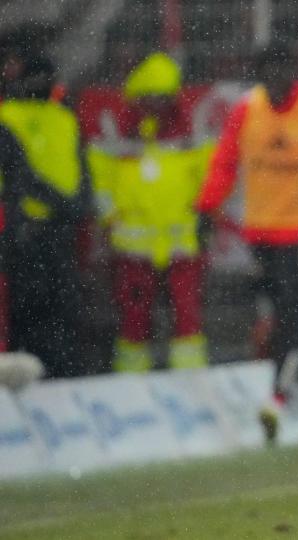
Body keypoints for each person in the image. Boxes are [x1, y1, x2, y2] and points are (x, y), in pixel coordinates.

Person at [198, 43, 298, 445]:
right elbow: (225, 162)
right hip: (262, 237)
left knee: (295, 319)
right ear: (258, 72)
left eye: (283, 68)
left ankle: (275, 399)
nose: (275, 77)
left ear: (296, 71)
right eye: (268, 69)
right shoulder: (245, 110)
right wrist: (205, 208)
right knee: (283, 322)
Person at [88, 52, 213, 373]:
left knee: (186, 319)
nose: (156, 104)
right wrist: (112, 218)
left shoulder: (189, 130)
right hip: (134, 247)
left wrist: (205, 218)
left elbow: (210, 179)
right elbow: (99, 181)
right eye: (149, 98)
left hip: (181, 244)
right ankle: (130, 386)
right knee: (133, 322)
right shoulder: (117, 132)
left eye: (163, 98)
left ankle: (191, 382)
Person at [0, 54, 87, 378]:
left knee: (62, 308)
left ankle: (60, 373)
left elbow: (81, 164)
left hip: (57, 230)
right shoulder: (7, 117)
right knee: (25, 310)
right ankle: (30, 375)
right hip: (21, 231)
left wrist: (77, 206)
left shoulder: (64, 117)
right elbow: (19, 176)